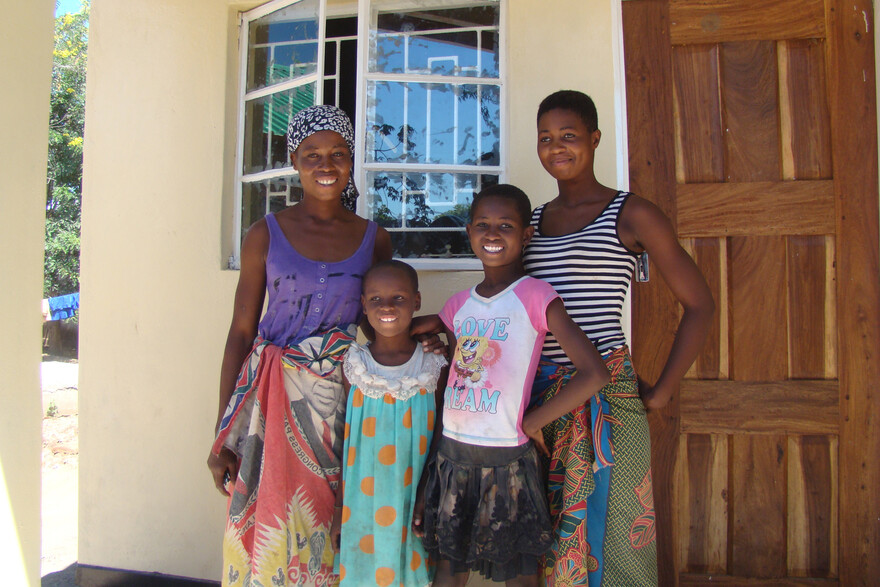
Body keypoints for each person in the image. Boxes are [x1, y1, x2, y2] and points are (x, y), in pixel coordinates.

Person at [522, 90, 715, 586]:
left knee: (619, 538)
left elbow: (699, 305)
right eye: (546, 138)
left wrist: (664, 388)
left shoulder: (632, 215)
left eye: (569, 136)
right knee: (547, 541)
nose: (556, 147)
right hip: (541, 399)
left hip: (609, 399)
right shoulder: (533, 224)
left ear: (595, 139)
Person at [207, 105, 392, 587]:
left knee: (326, 518)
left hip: (333, 406)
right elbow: (241, 334)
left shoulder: (376, 240)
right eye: (312, 154)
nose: (325, 164)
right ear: (294, 159)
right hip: (265, 402)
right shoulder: (263, 233)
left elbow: (379, 325)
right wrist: (223, 429)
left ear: (351, 160)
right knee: (265, 525)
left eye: (337, 153)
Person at [413, 184, 612, 587]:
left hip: (509, 460)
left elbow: (595, 372)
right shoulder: (457, 306)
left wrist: (532, 422)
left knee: (521, 572)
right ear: (468, 232)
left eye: (506, 225)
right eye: (483, 225)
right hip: (452, 457)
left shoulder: (536, 296)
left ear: (526, 236)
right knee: (449, 569)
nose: (492, 233)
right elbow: (457, 376)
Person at [332, 260, 448, 587]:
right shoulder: (353, 365)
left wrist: (428, 486)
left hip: (414, 494)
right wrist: (340, 507)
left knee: (411, 567)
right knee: (363, 568)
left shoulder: (434, 364)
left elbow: (442, 432)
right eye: (375, 299)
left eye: (398, 298)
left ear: (417, 302)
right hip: (361, 500)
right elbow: (344, 438)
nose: (386, 307)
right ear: (363, 306)